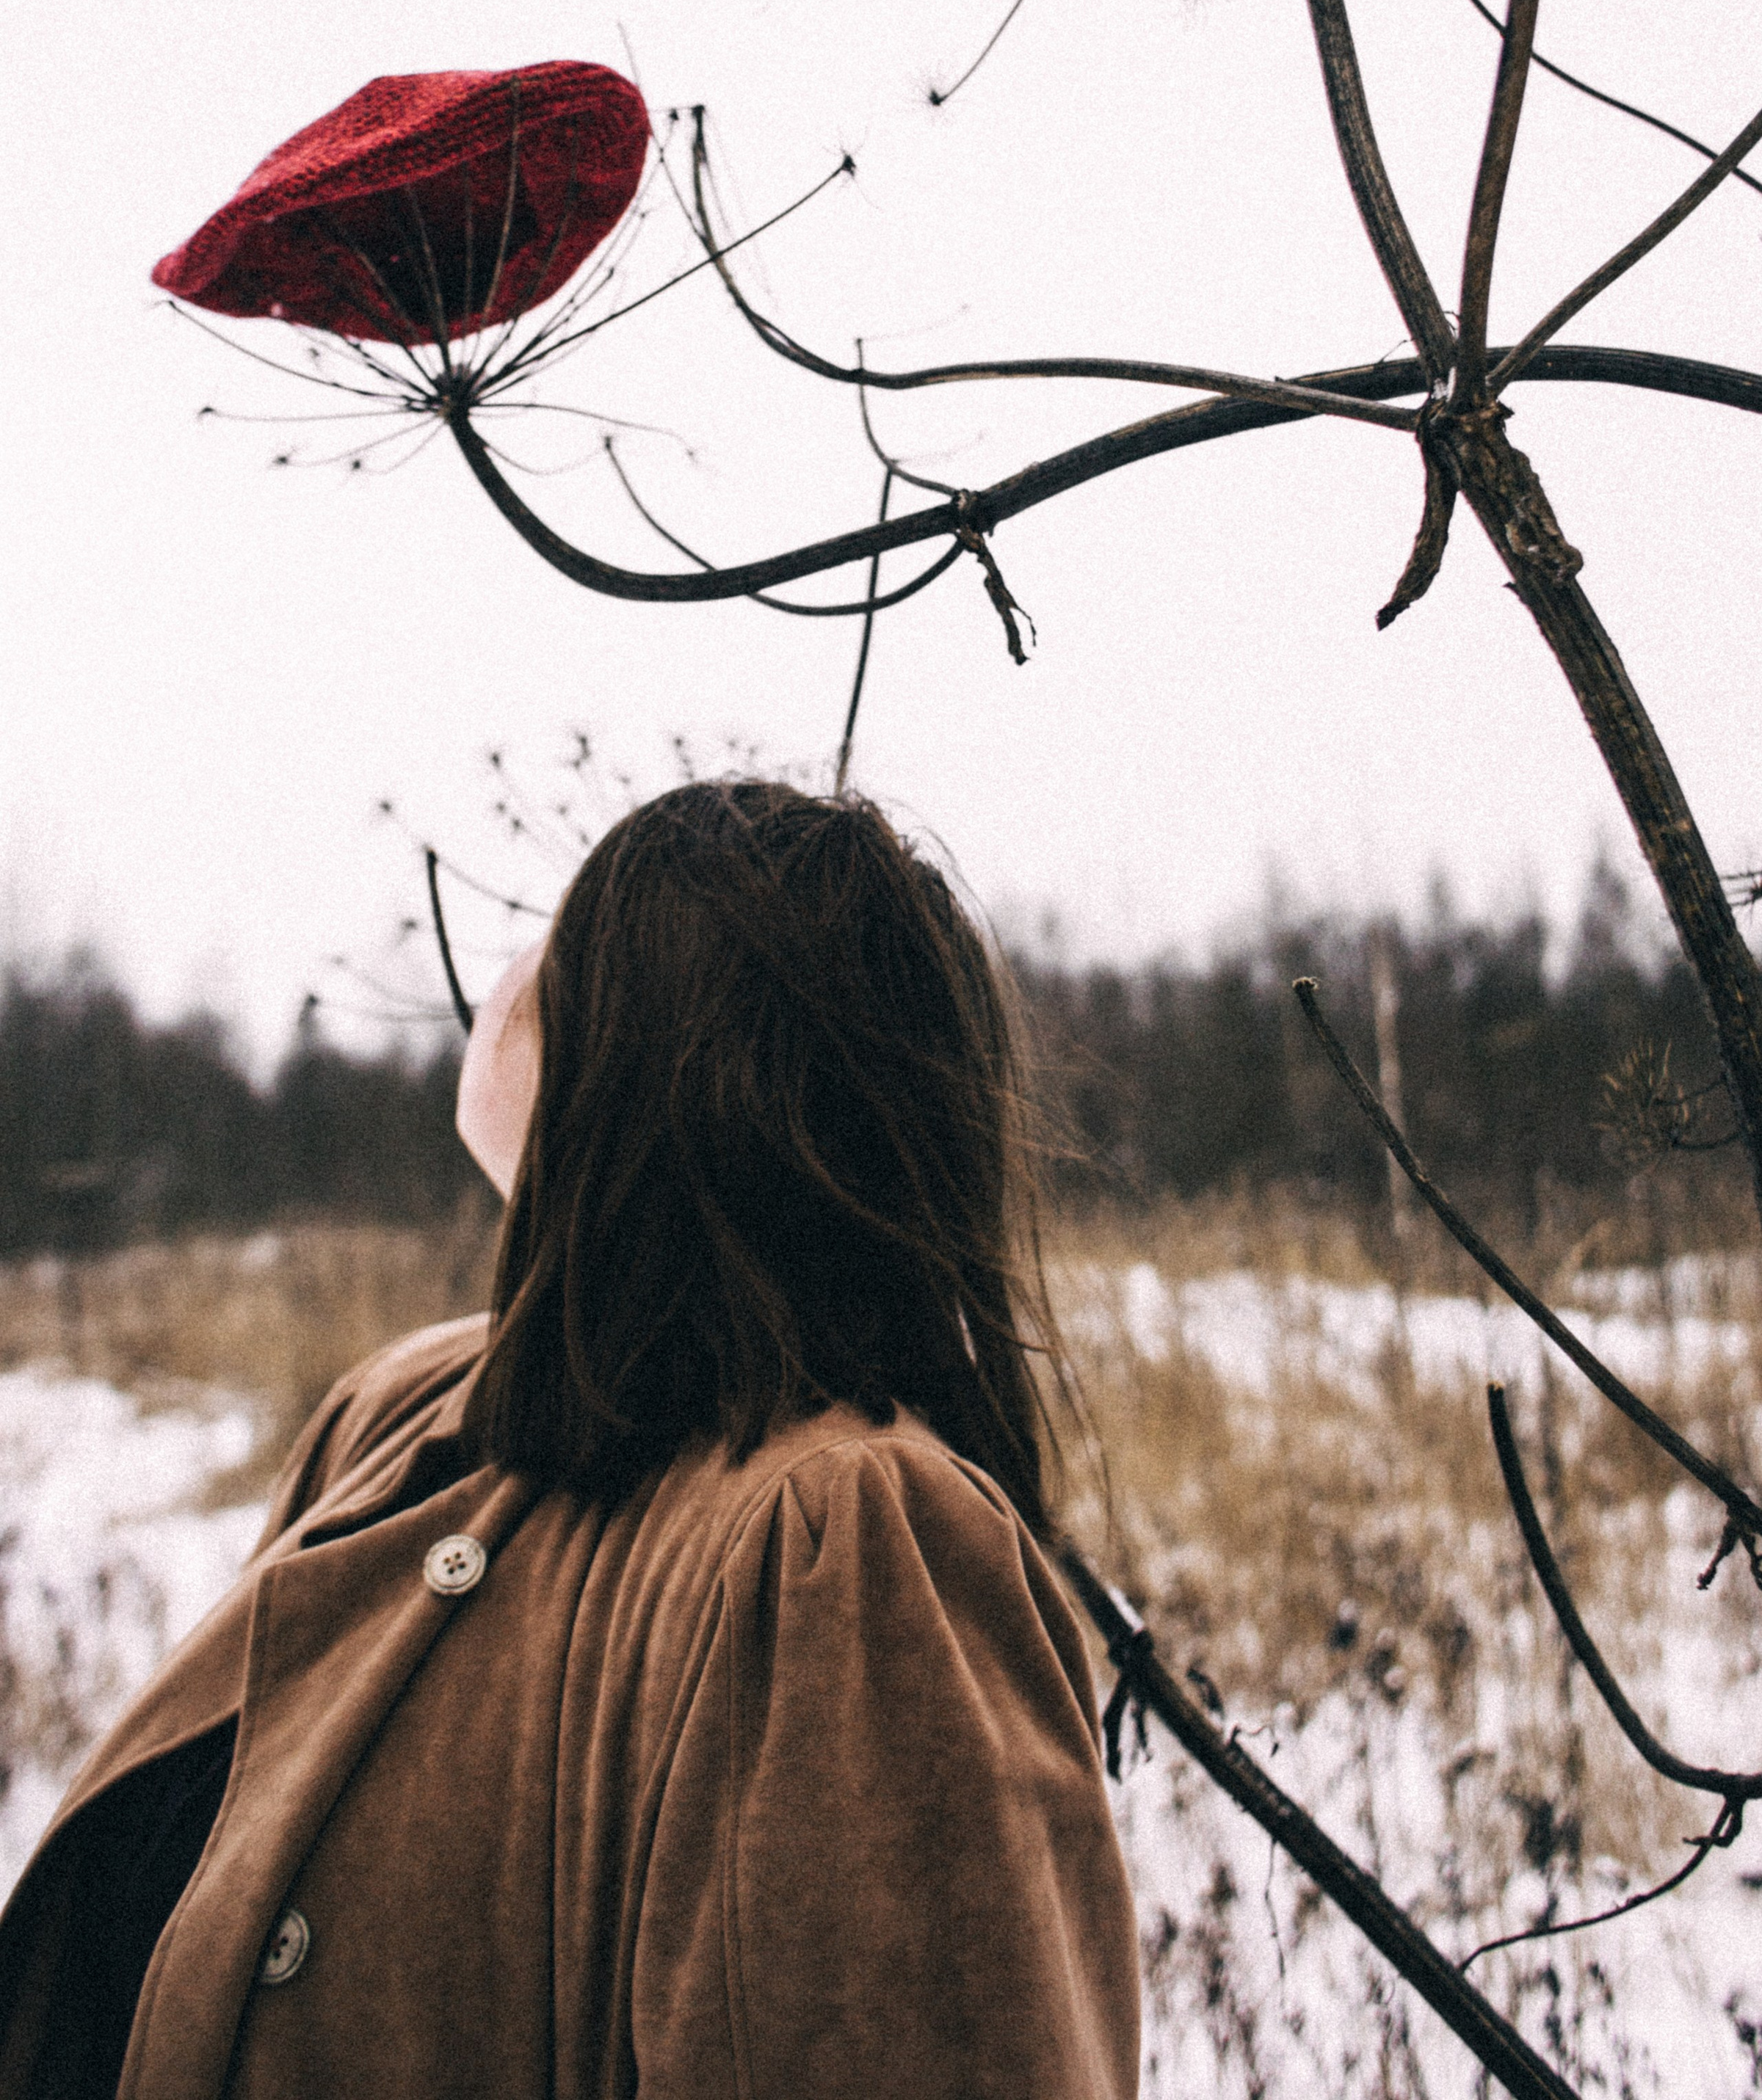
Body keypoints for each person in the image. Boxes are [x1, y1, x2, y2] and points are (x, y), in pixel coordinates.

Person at [0, 780, 1140, 2099]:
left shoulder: (843, 1543)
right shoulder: (418, 1417)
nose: (504, 995)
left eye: (564, 954)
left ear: (660, 1078)